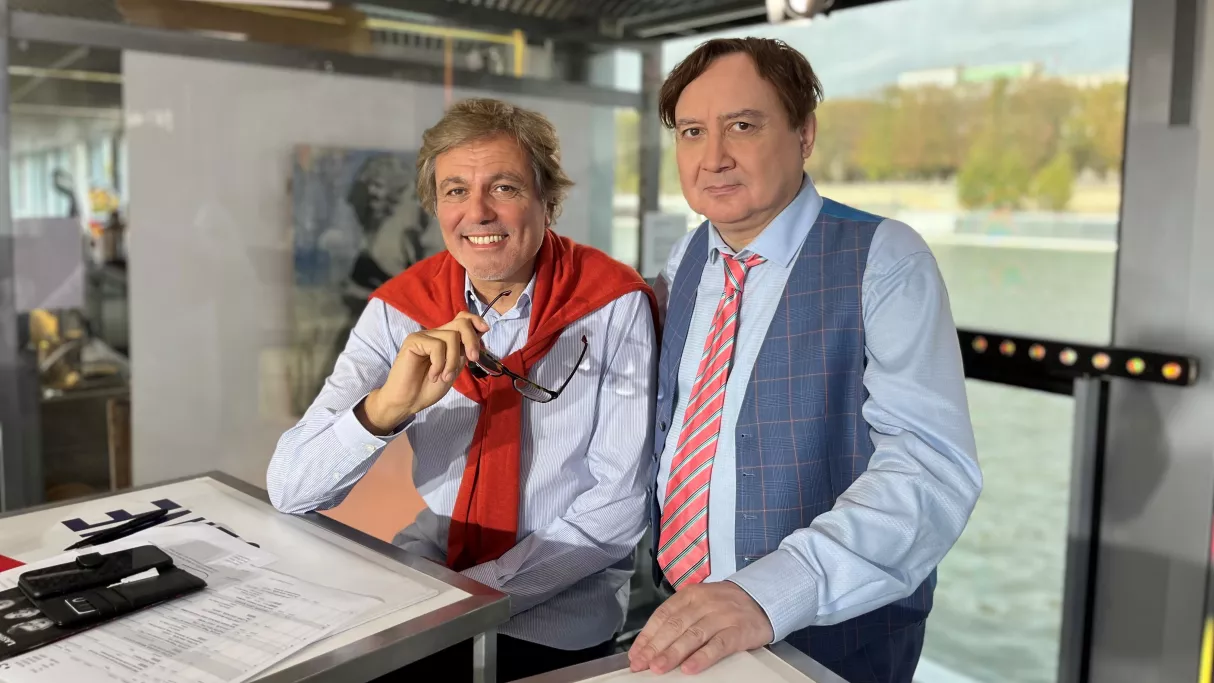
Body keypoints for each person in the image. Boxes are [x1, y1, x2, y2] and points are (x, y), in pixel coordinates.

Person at [627, 38, 982, 683]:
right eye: (692, 132)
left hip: (833, 639)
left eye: (743, 125)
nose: (714, 157)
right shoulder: (687, 259)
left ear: (804, 134)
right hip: (685, 621)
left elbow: (930, 468)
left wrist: (771, 591)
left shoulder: (885, 258)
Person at [268, 97, 659, 682]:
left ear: (548, 201)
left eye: (503, 187)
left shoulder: (613, 305)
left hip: (557, 613)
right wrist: (385, 410)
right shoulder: (399, 309)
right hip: (430, 577)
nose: (477, 212)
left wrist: (472, 596)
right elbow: (290, 488)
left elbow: (618, 506)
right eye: (455, 191)